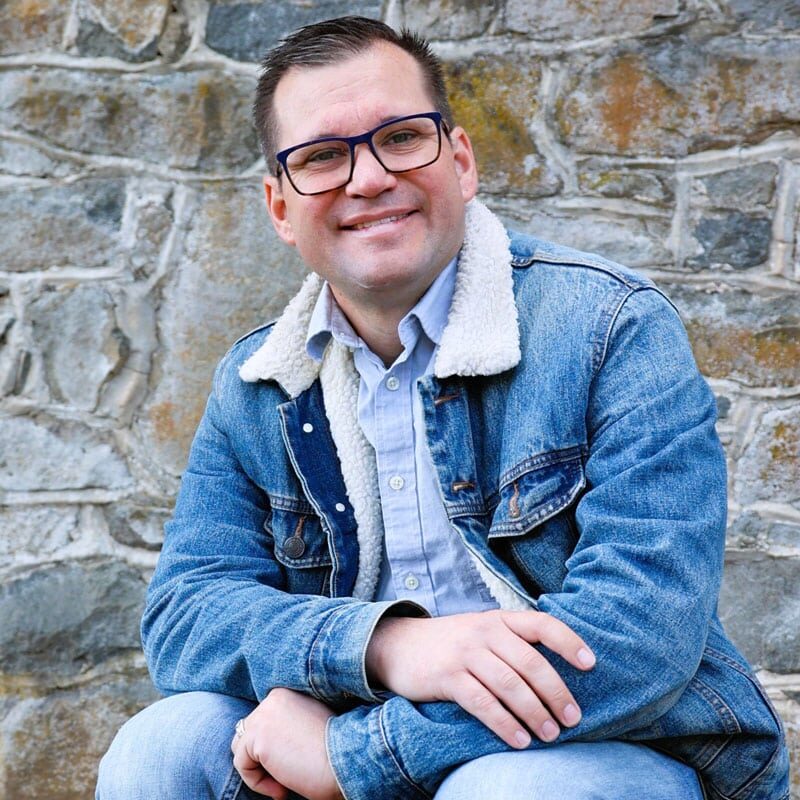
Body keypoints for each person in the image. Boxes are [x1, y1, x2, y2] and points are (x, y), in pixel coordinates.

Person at [97, 15, 789, 800]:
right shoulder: (260, 382)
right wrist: (386, 648)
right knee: (159, 747)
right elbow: (186, 613)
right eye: (322, 157)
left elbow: (639, 640)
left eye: (400, 138)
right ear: (280, 208)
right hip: (349, 708)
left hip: (598, 750)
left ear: (459, 162)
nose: (367, 179)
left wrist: (354, 756)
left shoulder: (611, 329)